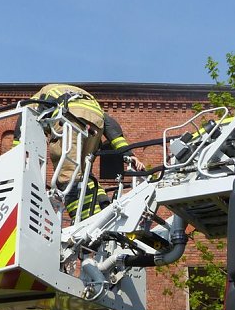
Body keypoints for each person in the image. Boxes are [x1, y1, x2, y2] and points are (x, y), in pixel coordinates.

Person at [13, 84, 145, 219]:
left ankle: (84, 220)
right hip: (96, 121)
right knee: (83, 172)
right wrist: (128, 154)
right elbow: (110, 123)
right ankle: (103, 205)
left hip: (71, 117)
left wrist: (16, 153)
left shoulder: (39, 97)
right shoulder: (75, 94)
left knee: (67, 176)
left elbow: (23, 121)